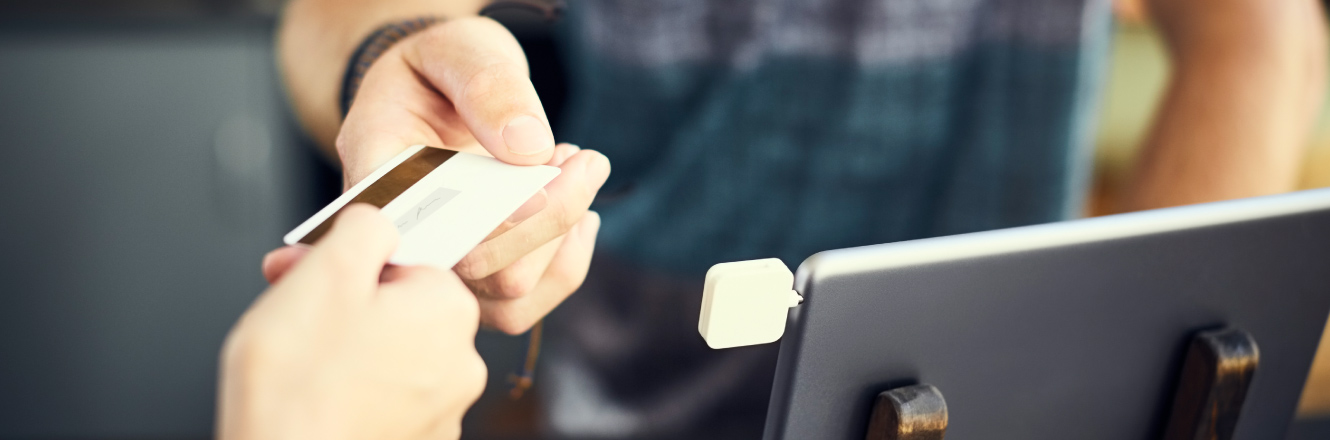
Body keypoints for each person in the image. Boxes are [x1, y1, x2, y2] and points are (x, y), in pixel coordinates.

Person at [275, 0, 1327, 438]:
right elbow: (328, 16)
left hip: (1015, 388)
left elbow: (1254, 30)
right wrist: (392, 50)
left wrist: (1140, 375)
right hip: (630, 385)